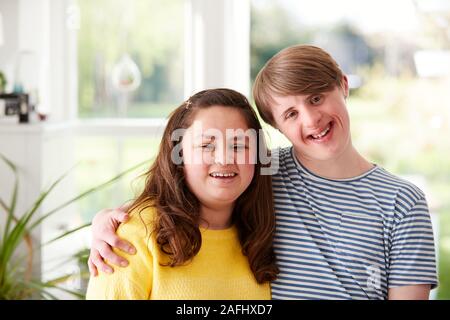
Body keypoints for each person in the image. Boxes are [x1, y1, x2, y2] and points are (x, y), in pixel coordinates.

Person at [88, 45, 438, 300]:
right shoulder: (262, 173)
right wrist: (110, 221)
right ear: (275, 126)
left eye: (316, 98)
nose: (311, 119)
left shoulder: (402, 202)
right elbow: (196, 187)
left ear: (343, 86)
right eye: (290, 114)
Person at [85, 88, 278, 299]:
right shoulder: (135, 234)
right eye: (206, 145)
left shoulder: (262, 232)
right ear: (178, 155)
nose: (224, 158)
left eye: (239, 145)